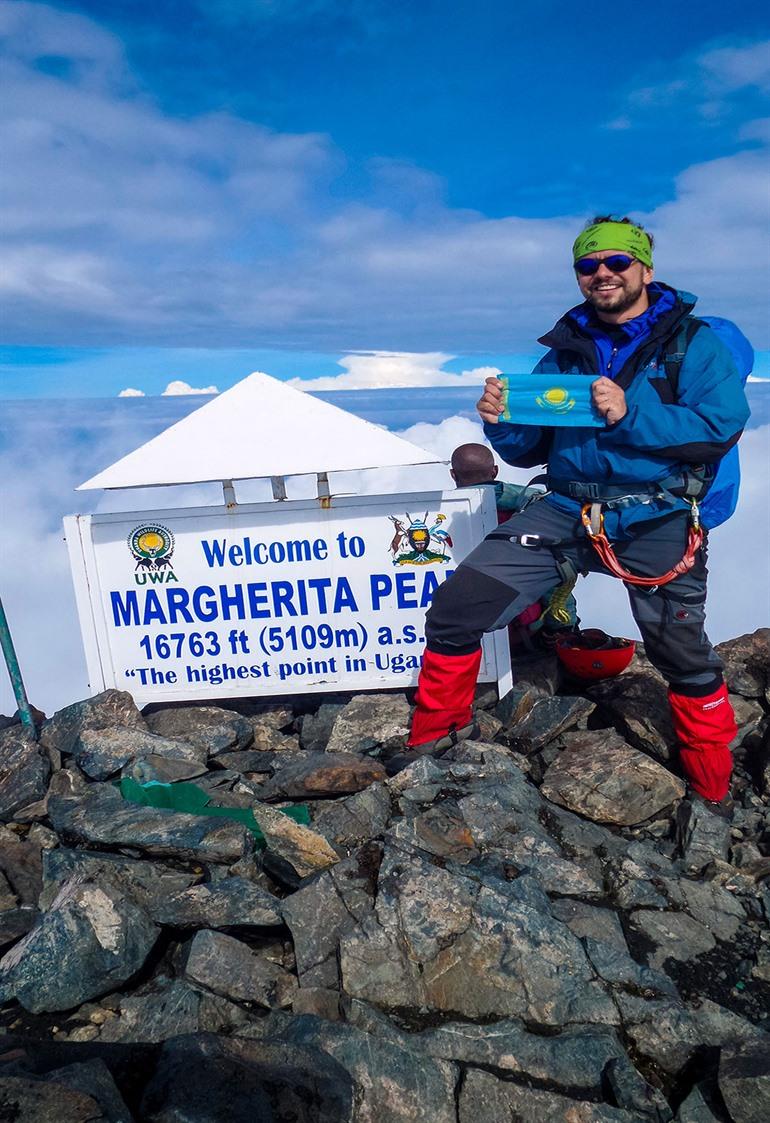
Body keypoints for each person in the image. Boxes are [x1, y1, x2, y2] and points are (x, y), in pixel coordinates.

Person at [399, 216, 750, 816]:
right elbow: (529, 448)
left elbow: (718, 428)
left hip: (654, 515)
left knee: (682, 654)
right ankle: (432, 745)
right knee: (457, 611)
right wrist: (500, 420)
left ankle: (710, 788)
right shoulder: (565, 350)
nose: (603, 274)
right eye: (589, 266)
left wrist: (627, 411)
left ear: (646, 269)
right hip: (564, 509)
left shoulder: (693, 344)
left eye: (617, 262)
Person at [450, 442, 578, 645]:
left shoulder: (442, 520)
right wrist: (563, 627)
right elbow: (556, 575)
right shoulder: (535, 508)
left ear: (453, 475)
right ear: (495, 471)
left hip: (462, 632)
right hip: (526, 631)